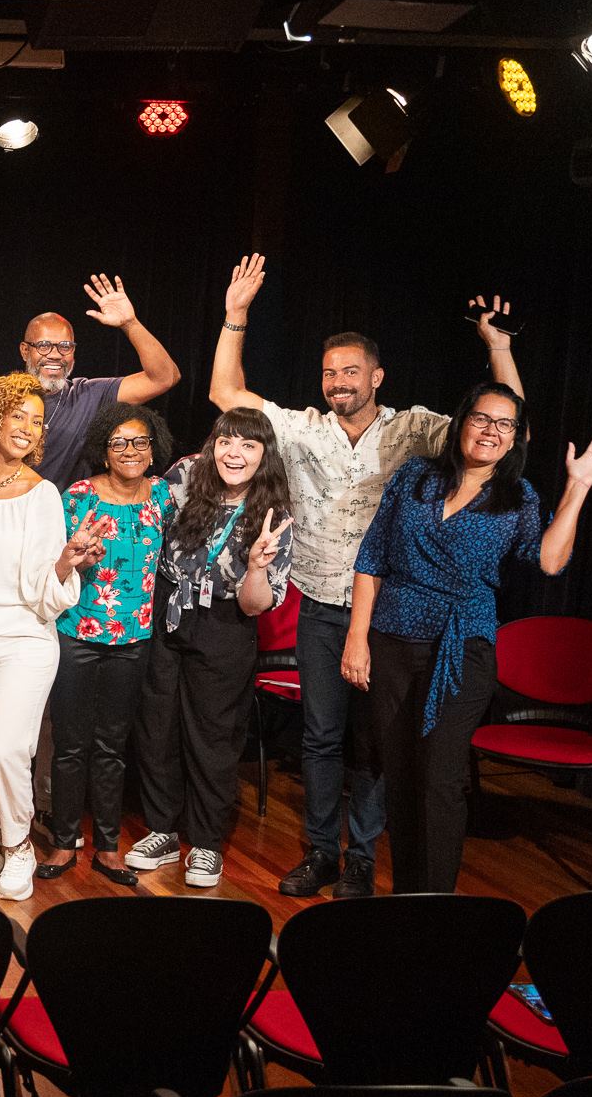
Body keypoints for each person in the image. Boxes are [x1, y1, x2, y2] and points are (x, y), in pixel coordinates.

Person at [211, 256, 528, 899]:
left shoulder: (415, 429)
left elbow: (503, 423)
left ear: (376, 376)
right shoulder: (302, 429)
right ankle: (324, 851)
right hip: (326, 604)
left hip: (397, 616)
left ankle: (364, 856)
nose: (338, 382)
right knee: (323, 737)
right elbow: (225, 393)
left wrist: (497, 348)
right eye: (330, 373)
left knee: (382, 745)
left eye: (351, 372)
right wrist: (235, 315)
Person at [344, 386, 592, 894]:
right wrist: (357, 638)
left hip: (462, 648)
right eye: (482, 418)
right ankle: (408, 900)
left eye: (505, 424)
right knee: (399, 777)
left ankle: (436, 906)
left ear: (515, 439)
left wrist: (576, 489)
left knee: (439, 778)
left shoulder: (519, 498)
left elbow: (551, 561)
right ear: (461, 422)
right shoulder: (415, 476)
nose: (491, 430)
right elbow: (372, 557)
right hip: (390, 640)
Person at [124, 409, 295, 889]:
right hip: (167, 610)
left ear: (264, 457)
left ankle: (204, 843)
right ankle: (160, 828)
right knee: (156, 726)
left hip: (226, 622)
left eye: (248, 446)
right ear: (212, 445)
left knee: (213, 736)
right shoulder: (184, 475)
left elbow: (255, 603)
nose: (234, 453)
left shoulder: (273, 516)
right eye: (226, 441)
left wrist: (258, 565)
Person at [0, 375, 100, 902]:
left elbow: (44, 590)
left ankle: (17, 847)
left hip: (24, 638)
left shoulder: (42, 494)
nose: (29, 428)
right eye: (19, 416)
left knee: (4, 747)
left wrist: (66, 560)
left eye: (37, 421)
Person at [41, 402, 178, 888]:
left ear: (153, 447)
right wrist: (74, 560)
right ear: (103, 448)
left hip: (134, 639)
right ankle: (62, 841)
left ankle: (107, 846)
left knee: (113, 745)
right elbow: (51, 564)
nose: (130, 450)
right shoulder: (77, 497)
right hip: (77, 633)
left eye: (140, 441)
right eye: (118, 442)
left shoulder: (162, 496)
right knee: (70, 743)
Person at [19, 273, 181, 488]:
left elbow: (165, 377)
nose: (55, 355)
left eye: (65, 346)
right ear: (25, 351)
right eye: (44, 345)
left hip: (68, 516)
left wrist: (130, 324)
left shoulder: (88, 395)